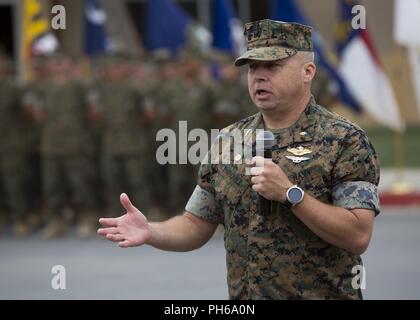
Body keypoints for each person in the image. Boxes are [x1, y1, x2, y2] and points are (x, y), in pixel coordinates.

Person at [98, 19, 380, 300]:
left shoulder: (345, 140)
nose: (259, 75)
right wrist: (151, 232)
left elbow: (357, 235)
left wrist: (291, 194)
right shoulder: (228, 141)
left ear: (307, 72)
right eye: (252, 67)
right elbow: (195, 224)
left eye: (273, 66)